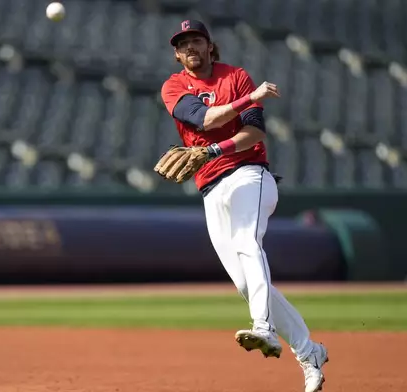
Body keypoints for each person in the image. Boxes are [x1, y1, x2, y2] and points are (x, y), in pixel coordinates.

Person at [158, 20, 329, 392]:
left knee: (248, 244)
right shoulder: (173, 86)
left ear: (209, 45)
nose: (190, 47)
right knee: (245, 283)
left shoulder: (235, 75)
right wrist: (249, 99)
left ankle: (263, 329)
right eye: (183, 43)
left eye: (196, 40)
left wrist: (218, 146)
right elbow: (203, 119)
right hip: (210, 189)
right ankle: (309, 351)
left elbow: (254, 132)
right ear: (176, 52)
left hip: (249, 173)